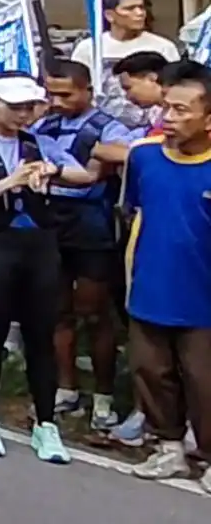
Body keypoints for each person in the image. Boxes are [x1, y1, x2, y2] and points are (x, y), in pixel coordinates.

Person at [0, 74, 96, 463]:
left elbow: (86, 176)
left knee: (41, 336)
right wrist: (9, 182)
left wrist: (53, 171)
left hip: (40, 246)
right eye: (16, 107)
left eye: (30, 107)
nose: (23, 115)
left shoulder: (39, 144)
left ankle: (46, 424)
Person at [33, 58, 135, 431]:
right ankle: (66, 388)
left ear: (87, 91)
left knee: (94, 312)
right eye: (51, 93)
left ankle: (104, 396)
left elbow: (111, 168)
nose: (57, 101)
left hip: (92, 224)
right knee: (57, 310)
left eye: (66, 94)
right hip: (52, 220)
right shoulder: (44, 125)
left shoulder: (110, 128)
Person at [122, 60, 211, 488]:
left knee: (205, 382)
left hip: (203, 299)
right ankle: (169, 448)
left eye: (181, 111)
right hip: (150, 289)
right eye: (166, 109)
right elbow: (132, 211)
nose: (168, 119)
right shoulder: (143, 156)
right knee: (151, 372)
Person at [71, 0, 180, 125]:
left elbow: (174, 87)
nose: (139, 13)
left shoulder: (163, 46)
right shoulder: (89, 48)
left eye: (142, 7)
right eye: (130, 8)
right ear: (110, 15)